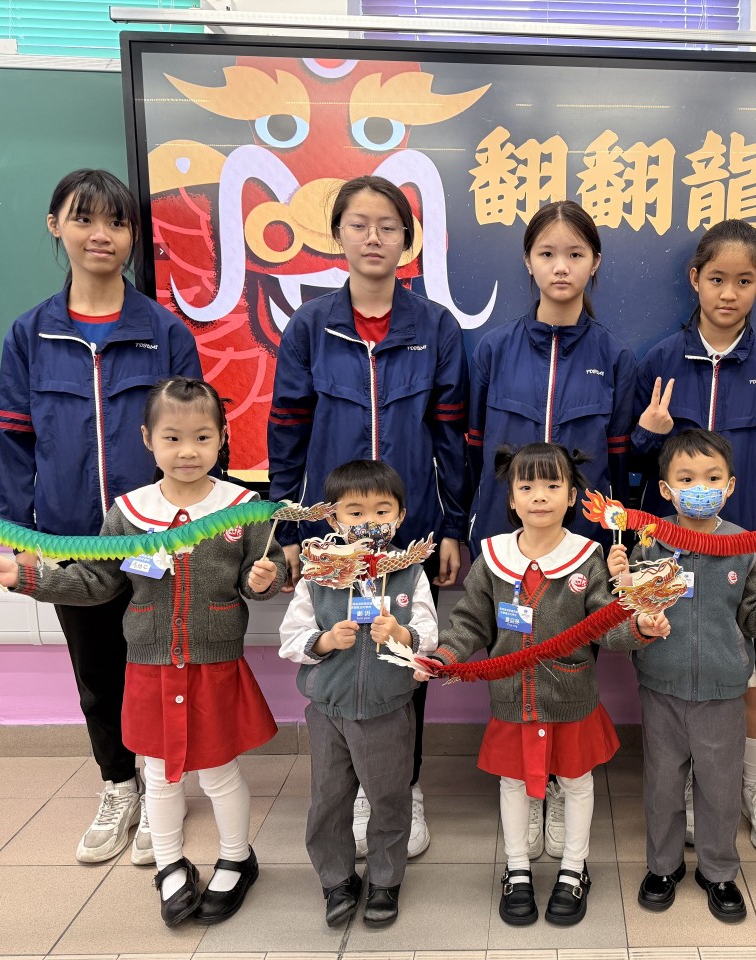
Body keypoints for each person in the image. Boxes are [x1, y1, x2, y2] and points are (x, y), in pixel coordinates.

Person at [0, 377, 286, 927]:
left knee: (218, 771)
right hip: (149, 666)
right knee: (159, 774)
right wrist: (22, 576)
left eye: (203, 437)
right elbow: (97, 582)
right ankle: (170, 864)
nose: (188, 451)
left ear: (222, 438)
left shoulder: (245, 507)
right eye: (172, 438)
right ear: (147, 439)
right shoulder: (130, 511)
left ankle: (237, 858)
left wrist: (266, 578)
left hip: (214, 664)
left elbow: (264, 574)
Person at [0, 168, 202, 866]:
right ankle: (119, 785)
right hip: (69, 537)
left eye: (116, 222)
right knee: (96, 675)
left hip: (154, 537)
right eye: (84, 219)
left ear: (134, 236)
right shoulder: (31, 335)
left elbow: (198, 434)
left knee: (158, 667)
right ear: (56, 226)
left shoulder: (164, 332)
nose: (101, 235)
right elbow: (14, 440)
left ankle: (163, 787)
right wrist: (20, 539)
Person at [270, 175, 470, 860]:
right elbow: (287, 430)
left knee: (404, 654)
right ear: (338, 236)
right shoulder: (310, 326)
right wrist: (289, 531)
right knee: (339, 652)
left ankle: (402, 787)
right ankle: (352, 786)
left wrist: (452, 526)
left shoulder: (435, 328)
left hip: (409, 533)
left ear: (408, 239)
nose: (374, 237)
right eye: (359, 224)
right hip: (330, 534)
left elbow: (453, 436)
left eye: (388, 225)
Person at [417, 443, 668, 927]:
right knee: (512, 783)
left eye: (553, 485)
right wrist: (444, 657)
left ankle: (574, 868)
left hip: (572, 697)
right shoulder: (492, 558)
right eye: (527, 486)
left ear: (572, 496)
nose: (539, 496)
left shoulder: (588, 557)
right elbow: (469, 623)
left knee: (576, 782)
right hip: (511, 698)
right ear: (511, 499)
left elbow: (607, 626)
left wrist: (640, 627)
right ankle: (516, 868)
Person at [630, 219, 756, 852]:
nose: (728, 293)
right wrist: (648, 435)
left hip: (747, 553)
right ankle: (688, 785)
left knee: (755, 672)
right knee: (677, 669)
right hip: (670, 553)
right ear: (695, 280)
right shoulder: (660, 362)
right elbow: (634, 464)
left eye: (743, 281)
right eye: (716, 279)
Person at [466, 200, 637, 858]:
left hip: (580, 545)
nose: (560, 267)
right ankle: (526, 790)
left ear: (596, 264)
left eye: (574, 254)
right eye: (547, 254)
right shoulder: (494, 349)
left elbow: (618, 461)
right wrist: (467, 528)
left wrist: (617, 547)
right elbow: (472, 449)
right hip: (506, 539)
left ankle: (564, 785)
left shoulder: (615, 357)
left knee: (572, 660)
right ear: (528, 262)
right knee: (512, 655)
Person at [608, 429, 756, 923]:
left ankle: (719, 871)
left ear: (729, 486)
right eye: (686, 479)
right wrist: (622, 581)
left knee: (720, 789)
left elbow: (755, 618)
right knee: (663, 785)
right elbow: (625, 616)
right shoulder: (648, 541)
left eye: (711, 478)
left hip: (723, 693)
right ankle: (662, 867)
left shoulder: (742, 544)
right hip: (661, 686)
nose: (699, 488)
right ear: (665, 489)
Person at [279, 459, 437, 928]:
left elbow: (429, 633)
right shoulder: (317, 574)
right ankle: (336, 879)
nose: (369, 522)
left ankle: (386, 879)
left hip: (388, 709)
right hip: (328, 710)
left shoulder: (409, 573)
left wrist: (402, 634)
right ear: (333, 518)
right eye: (355, 512)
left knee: (389, 797)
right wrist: (325, 641)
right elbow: (291, 638)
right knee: (328, 800)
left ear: (400, 516)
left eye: (382, 511)